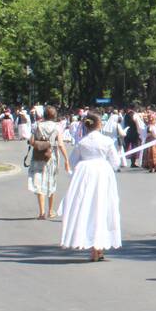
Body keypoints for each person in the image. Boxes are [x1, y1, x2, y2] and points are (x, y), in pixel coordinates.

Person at [57, 113, 122, 262]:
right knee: (102, 207)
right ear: (99, 125)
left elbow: (73, 162)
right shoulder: (107, 141)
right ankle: (98, 247)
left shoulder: (82, 142)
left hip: (85, 175)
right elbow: (115, 162)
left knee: (88, 207)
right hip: (102, 174)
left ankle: (94, 246)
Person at [27, 105, 69, 220]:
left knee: (40, 182)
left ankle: (41, 212)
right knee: (51, 182)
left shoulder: (37, 125)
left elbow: (31, 141)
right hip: (52, 157)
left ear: (44, 115)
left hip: (39, 157)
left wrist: (40, 143)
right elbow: (60, 144)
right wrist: (66, 159)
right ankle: (50, 211)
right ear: (55, 115)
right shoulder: (57, 127)